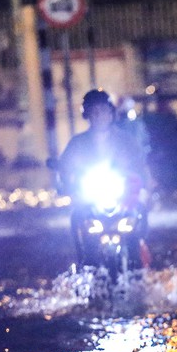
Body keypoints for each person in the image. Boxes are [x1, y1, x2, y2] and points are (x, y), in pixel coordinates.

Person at [58, 89, 151, 266]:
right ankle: (83, 262)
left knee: (139, 211)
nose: (100, 115)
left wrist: (145, 186)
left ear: (111, 113)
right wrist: (66, 186)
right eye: (95, 111)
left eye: (104, 110)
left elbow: (141, 165)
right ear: (88, 115)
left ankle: (137, 259)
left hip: (123, 197)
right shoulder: (77, 143)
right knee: (76, 216)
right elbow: (64, 168)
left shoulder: (127, 140)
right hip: (91, 198)